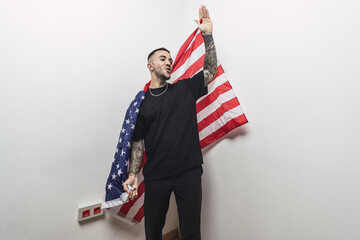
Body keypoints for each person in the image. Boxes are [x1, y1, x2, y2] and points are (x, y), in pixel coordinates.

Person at [123, 5, 218, 240]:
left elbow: (211, 69)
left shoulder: (184, 89)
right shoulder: (142, 103)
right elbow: (137, 142)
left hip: (188, 172)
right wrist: (133, 174)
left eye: (170, 59)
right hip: (157, 176)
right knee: (153, 229)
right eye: (162, 58)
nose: (168, 62)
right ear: (150, 66)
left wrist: (208, 34)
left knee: (191, 229)